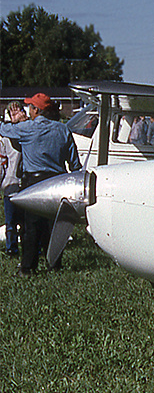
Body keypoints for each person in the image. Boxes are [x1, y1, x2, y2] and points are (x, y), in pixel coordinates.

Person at [0, 93, 82, 275]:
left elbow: (3, 130)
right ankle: (55, 264)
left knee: (31, 227)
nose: (28, 110)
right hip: (57, 181)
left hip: (34, 182)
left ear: (36, 110)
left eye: (30, 107)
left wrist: (16, 122)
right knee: (54, 227)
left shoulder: (27, 128)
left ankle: (28, 267)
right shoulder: (63, 130)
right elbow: (75, 164)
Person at [1, 102, 25, 259]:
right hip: (11, 183)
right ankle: (12, 248)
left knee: (27, 221)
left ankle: (30, 247)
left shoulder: (29, 132)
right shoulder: (4, 138)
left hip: (27, 184)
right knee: (11, 221)